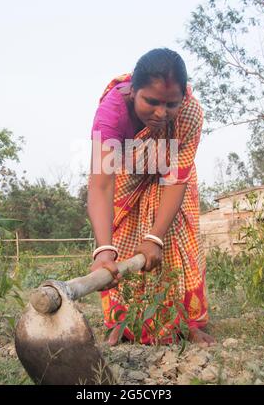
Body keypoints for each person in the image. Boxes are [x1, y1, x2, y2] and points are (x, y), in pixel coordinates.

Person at [87, 48, 215, 346]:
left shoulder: (190, 114)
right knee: (120, 243)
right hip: (126, 173)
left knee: (179, 242)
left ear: (183, 97)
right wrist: (104, 251)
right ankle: (121, 322)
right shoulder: (112, 113)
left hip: (172, 176)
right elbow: (101, 186)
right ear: (133, 92)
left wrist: (155, 237)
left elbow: (176, 179)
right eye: (152, 101)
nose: (161, 113)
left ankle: (186, 322)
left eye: (171, 104)